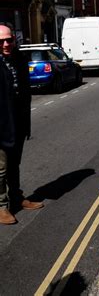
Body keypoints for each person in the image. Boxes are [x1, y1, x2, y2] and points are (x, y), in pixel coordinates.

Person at [0, 25, 44, 224]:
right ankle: (2, 206)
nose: (6, 44)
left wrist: (26, 124)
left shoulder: (19, 59)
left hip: (17, 122)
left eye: (9, 40)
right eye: (1, 41)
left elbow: (25, 93)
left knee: (14, 165)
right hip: (0, 124)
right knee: (1, 168)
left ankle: (17, 198)